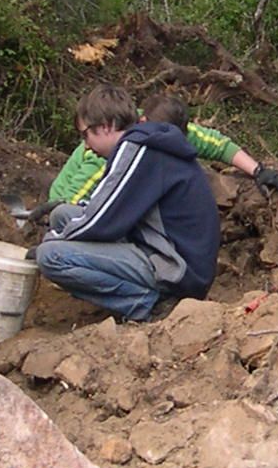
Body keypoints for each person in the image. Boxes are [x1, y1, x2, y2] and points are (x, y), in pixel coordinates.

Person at [35, 83, 220, 323]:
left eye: (86, 135)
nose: (87, 146)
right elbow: (108, 206)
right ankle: (146, 295)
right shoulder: (146, 144)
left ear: (106, 126)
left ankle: (148, 305)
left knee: (50, 255)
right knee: (62, 215)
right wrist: (65, 227)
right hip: (171, 253)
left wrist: (56, 239)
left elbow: (101, 221)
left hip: (176, 269)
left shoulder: (138, 149)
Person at [45, 92, 278, 208]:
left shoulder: (165, 126)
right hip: (63, 199)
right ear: (143, 125)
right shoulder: (104, 155)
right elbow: (69, 202)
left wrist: (258, 170)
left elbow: (217, 144)